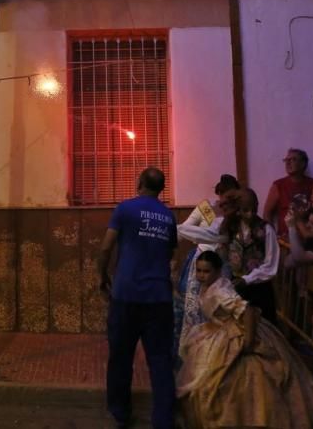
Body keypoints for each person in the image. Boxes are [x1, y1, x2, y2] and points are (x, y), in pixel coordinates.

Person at [177, 251, 313, 429]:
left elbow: (247, 310)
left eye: (206, 271)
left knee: (233, 380)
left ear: (217, 272)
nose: (202, 276)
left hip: (235, 332)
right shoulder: (211, 285)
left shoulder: (220, 292)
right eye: (199, 271)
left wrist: (248, 342)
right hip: (217, 330)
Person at [98, 167, 178, 429]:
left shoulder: (125, 209)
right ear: (161, 188)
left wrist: (102, 276)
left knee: (121, 357)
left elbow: (107, 246)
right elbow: (168, 254)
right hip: (159, 298)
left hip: (126, 296)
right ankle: (163, 420)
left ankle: (120, 414)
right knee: (161, 361)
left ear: (140, 183)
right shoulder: (168, 216)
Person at [173, 174, 240, 357]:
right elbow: (185, 229)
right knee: (194, 308)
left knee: (219, 307)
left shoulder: (239, 212)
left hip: (223, 264)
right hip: (202, 261)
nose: (224, 200)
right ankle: (192, 353)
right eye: (222, 196)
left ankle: (217, 353)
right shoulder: (206, 207)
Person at [225, 188, 281, 326]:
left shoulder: (266, 229)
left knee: (263, 330)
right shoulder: (230, 227)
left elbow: (271, 265)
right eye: (245, 210)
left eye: (254, 209)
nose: (250, 214)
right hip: (237, 288)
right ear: (237, 210)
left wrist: (248, 279)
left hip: (260, 290)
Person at [263, 148, 313, 237]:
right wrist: (272, 237)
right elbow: (267, 214)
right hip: (285, 240)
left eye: (293, 159)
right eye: (286, 160)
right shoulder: (278, 185)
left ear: (303, 163)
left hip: (309, 238)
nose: (288, 163)